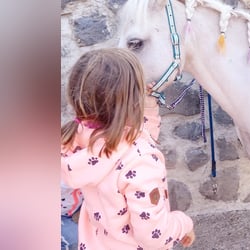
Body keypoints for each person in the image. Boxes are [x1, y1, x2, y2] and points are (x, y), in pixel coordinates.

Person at [61, 48, 195, 249]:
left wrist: (148, 108)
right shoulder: (140, 159)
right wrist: (183, 224)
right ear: (133, 101)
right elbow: (153, 237)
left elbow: (133, 144)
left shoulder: (81, 139)